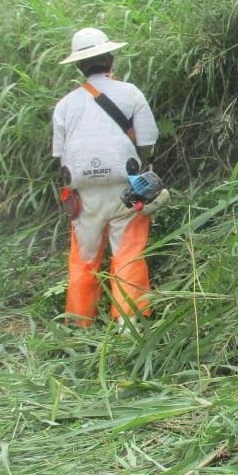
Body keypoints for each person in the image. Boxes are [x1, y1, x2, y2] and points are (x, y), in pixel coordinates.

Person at [51, 27, 159, 325]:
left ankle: (78, 323)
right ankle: (129, 324)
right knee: (128, 252)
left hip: (83, 193)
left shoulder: (65, 105)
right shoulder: (130, 93)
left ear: (79, 66)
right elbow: (148, 140)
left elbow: (60, 153)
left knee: (83, 259)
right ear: (111, 58)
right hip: (125, 188)